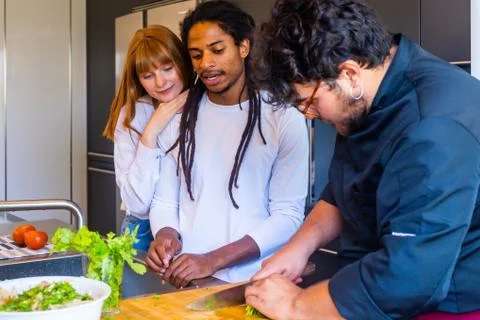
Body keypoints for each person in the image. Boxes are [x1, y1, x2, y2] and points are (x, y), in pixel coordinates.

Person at [246, 0, 480, 319]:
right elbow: (345, 189)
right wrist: (297, 248)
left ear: (350, 73)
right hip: (370, 284)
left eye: (309, 102)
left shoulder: (434, 128)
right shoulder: (363, 96)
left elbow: (409, 277)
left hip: (444, 305)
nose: (309, 115)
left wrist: (294, 305)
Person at [145, 0, 309, 288]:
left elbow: (288, 215)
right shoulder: (180, 117)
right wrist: (165, 234)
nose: (206, 63)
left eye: (217, 50)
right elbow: (165, 200)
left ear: (243, 47)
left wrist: (212, 259)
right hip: (186, 280)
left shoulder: (282, 117)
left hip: (254, 281)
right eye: (196, 55)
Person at [103, 25, 193, 252]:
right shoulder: (134, 113)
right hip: (142, 231)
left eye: (167, 69)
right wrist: (151, 132)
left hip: (193, 227)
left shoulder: (206, 104)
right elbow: (137, 203)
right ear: (138, 79)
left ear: (182, 62)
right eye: (148, 76)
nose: (160, 82)